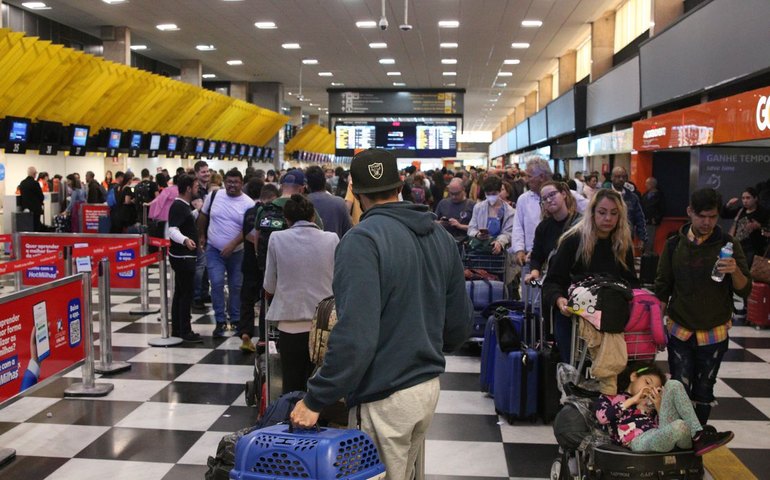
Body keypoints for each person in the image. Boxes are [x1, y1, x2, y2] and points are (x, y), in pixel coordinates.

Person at [290, 149, 472, 479]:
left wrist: (315, 398)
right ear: (400, 185)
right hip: (426, 388)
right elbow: (459, 326)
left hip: (383, 393)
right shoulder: (441, 237)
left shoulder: (362, 241)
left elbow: (355, 337)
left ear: (354, 191)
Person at [655, 187, 751, 425]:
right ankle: (679, 437)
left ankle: (697, 436)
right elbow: (662, 288)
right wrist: (656, 328)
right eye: (702, 216)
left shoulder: (728, 244)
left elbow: (744, 289)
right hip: (680, 327)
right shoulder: (674, 244)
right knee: (679, 386)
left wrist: (735, 270)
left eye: (713, 217)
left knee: (705, 389)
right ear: (690, 212)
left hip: (714, 329)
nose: (707, 222)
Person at [543, 189, 639, 392]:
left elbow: (632, 282)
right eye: (602, 212)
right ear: (592, 212)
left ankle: (608, 398)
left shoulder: (622, 243)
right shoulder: (573, 240)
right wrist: (559, 300)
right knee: (576, 372)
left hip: (611, 316)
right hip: (573, 317)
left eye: (614, 213)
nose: (608, 218)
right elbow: (552, 281)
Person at [263, 194, 339, 392]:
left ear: (287, 219)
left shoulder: (276, 238)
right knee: (320, 384)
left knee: (292, 383)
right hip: (324, 324)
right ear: (313, 216)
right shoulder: (332, 239)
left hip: (290, 323)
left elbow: (269, 285)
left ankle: (292, 411)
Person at [594, 363, 734, 455]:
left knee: (673, 384)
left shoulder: (651, 403)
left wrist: (658, 405)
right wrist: (633, 400)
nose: (650, 389)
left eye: (656, 389)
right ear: (634, 376)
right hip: (638, 442)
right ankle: (697, 436)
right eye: (647, 382)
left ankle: (698, 436)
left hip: (663, 434)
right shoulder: (611, 398)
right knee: (680, 425)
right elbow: (602, 418)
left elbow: (663, 425)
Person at [524, 181, 581, 362]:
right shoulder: (544, 227)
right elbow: (537, 255)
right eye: (544, 198)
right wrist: (534, 271)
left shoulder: (580, 224)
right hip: (555, 287)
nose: (549, 200)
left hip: (578, 285)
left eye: (552, 194)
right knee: (559, 334)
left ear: (564, 194)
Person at [197, 168, 255, 337]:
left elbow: (247, 229)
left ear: (242, 184)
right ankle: (220, 320)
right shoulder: (214, 196)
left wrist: (232, 244)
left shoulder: (248, 203)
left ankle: (235, 319)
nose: (232, 185)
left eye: (236, 182)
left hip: (237, 252)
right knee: (216, 283)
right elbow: (203, 215)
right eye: (229, 182)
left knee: (236, 286)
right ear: (224, 182)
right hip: (213, 249)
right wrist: (201, 235)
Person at [510, 156, 588, 268]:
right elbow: (518, 227)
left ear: (541, 177)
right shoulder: (523, 199)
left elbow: (591, 211)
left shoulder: (569, 195)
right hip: (531, 259)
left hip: (562, 259)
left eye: (529, 176)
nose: (526, 180)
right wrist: (519, 250)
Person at [239, 183, 278, 351]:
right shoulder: (275, 214)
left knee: (247, 299)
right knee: (265, 299)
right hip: (266, 263)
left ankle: (245, 332)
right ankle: (264, 337)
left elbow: (248, 235)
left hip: (249, 261)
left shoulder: (249, 212)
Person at [167, 174, 203, 343]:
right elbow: (172, 230)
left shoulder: (183, 206)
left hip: (182, 256)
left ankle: (177, 328)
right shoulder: (178, 206)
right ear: (188, 188)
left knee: (180, 292)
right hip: (183, 257)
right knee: (186, 294)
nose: (197, 189)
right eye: (195, 187)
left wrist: (197, 211)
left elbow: (185, 221)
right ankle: (185, 330)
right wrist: (186, 240)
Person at [467, 174, 515, 255]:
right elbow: (471, 228)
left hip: (500, 253)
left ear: (499, 191)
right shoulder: (478, 207)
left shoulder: (510, 211)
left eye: (494, 193)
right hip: (479, 250)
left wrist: (499, 242)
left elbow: (508, 233)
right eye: (488, 194)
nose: (491, 196)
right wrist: (477, 234)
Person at [722, 187, 769, 266]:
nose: (745, 201)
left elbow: (767, 228)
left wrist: (759, 226)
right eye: (743, 198)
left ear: (755, 198)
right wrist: (728, 205)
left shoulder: (763, 212)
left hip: (754, 249)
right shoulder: (741, 210)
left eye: (748, 198)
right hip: (738, 246)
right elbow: (724, 215)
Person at [305, 165, 352, 239]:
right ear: (325, 182)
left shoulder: (302, 203)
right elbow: (348, 232)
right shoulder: (339, 203)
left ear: (307, 185)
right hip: (335, 245)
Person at [192, 160, 212, 311]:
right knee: (200, 266)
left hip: (207, 231)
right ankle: (196, 296)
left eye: (207, 171)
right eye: (203, 172)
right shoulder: (196, 190)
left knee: (205, 266)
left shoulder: (207, 190)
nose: (206, 174)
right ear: (197, 173)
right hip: (197, 232)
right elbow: (201, 208)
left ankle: (204, 292)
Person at [610, 166, 647, 244]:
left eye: (624, 177)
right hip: (608, 237)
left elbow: (640, 219)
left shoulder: (632, 197)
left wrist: (642, 238)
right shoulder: (604, 195)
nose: (621, 179)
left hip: (627, 238)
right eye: (618, 176)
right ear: (612, 177)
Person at [434, 178, 475, 242]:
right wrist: (440, 223)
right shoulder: (443, 203)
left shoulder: (472, 205)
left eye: (457, 194)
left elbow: (476, 229)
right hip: (445, 241)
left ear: (463, 190)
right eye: (451, 193)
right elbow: (433, 223)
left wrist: (460, 226)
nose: (454, 197)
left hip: (464, 242)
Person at [641, 177, 665, 251]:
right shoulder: (645, 195)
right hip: (644, 220)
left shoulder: (659, 196)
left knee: (650, 239)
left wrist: (656, 219)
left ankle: (648, 254)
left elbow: (662, 208)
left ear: (652, 184)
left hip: (652, 221)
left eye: (647, 183)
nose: (645, 185)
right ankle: (643, 253)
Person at [18, 166, 45, 232]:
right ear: (34, 174)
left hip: (25, 209)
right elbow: (41, 196)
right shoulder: (35, 183)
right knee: (36, 227)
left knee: (27, 227)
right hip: (35, 210)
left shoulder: (22, 183)